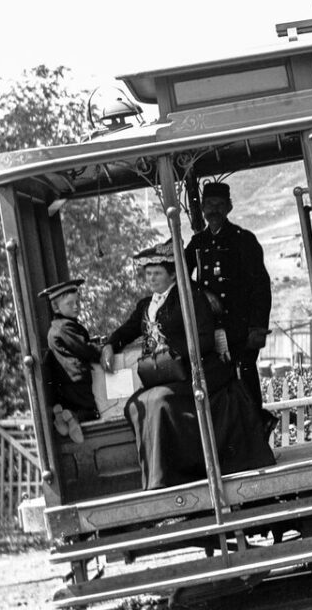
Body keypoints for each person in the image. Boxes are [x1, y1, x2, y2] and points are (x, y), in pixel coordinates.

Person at [103, 248, 274, 490]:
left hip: (200, 371)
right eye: (148, 273)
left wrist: (169, 351)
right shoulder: (146, 305)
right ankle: (157, 477)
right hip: (168, 375)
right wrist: (110, 344)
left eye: (157, 273)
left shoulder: (190, 298)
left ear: (172, 275)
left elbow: (204, 339)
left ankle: (176, 477)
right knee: (135, 403)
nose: (151, 278)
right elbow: (128, 330)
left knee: (160, 401)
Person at [185, 181, 273, 425]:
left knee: (246, 380)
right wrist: (203, 293)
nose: (214, 210)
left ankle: (259, 432)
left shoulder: (244, 240)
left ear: (229, 208)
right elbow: (180, 277)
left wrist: (257, 328)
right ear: (202, 209)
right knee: (222, 385)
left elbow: (261, 287)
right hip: (212, 329)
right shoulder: (197, 243)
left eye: (219, 205)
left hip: (241, 327)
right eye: (209, 205)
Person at [40, 277, 100, 441]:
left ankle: (64, 415)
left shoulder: (57, 327)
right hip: (77, 382)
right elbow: (85, 349)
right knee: (92, 412)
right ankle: (73, 417)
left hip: (69, 385)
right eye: (69, 304)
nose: (76, 307)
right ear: (55, 307)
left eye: (77, 302)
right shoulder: (65, 327)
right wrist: (103, 350)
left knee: (84, 408)